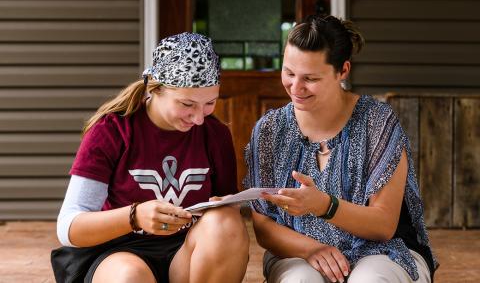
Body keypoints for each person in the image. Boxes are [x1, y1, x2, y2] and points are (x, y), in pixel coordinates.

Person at [244, 15, 437, 283]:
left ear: (343, 71)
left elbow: (383, 225)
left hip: (383, 250)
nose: (295, 87)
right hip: (298, 251)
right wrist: (311, 248)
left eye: (310, 78)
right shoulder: (269, 130)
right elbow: (264, 227)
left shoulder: (377, 122)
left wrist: (323, 205)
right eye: (289, 73)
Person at [51, 32, 249, 283]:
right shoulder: (112, 130)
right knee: (129, 276)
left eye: (210, 103)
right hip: (118, 253)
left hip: (186, 253)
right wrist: (134, 216)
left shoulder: (215, 134)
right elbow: (68, 228)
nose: (199, 118)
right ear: (155, 89)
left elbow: (225, 210)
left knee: (227, 223)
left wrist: (223, 207)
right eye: (187, 104)